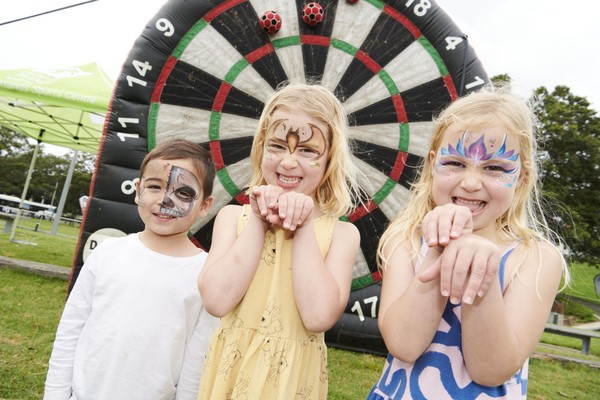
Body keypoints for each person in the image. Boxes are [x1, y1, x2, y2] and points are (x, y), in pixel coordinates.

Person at [367, 87, 570, 399]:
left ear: (522, 178)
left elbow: (490, 370)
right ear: (432, 164)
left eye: (494, 168)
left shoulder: (536, 258)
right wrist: (438, 248)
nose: (471, 182)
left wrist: (483, 276)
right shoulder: (406, 239)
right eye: (455, 163)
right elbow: (404, 346)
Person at [197, 83, 364, 399]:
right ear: (260, 148)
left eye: (307, 150)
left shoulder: (342, 234)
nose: (288, 162)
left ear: (330, 159)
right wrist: (259, 220)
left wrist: (302, 228)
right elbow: (216, 301)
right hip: (230, 375)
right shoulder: (234, 219)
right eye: (276, 146)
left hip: (291, 383)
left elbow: (318, 317)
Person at [44, 139, 219, 400]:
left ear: (205, 205)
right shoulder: (106, 254)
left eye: (183, 193)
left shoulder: (207, 274)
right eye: (155, 187)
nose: (165, 200)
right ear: (138, 191)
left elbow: (197, 360)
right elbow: (71, 330)